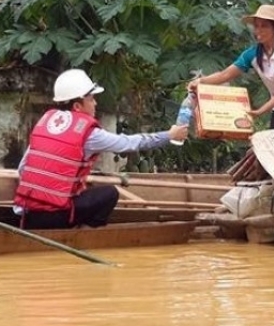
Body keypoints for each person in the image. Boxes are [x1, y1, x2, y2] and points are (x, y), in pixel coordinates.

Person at [13, 69, 189, 229]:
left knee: (87, 187)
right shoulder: (89, 133)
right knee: (110, 193)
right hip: (58, 215)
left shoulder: (46, 123)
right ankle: (86, 231)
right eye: (91, 99)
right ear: (77, 106)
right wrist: (170, 135)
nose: (95, 103)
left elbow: (23, 169)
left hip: (27, 215)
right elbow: (129, 143)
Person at [189, 4, 274, 129]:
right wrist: (200, 81)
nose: (258, 31)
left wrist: (261, 111)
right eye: (256, 26)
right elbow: (225, 75)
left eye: (264, 26)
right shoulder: (252, 54)